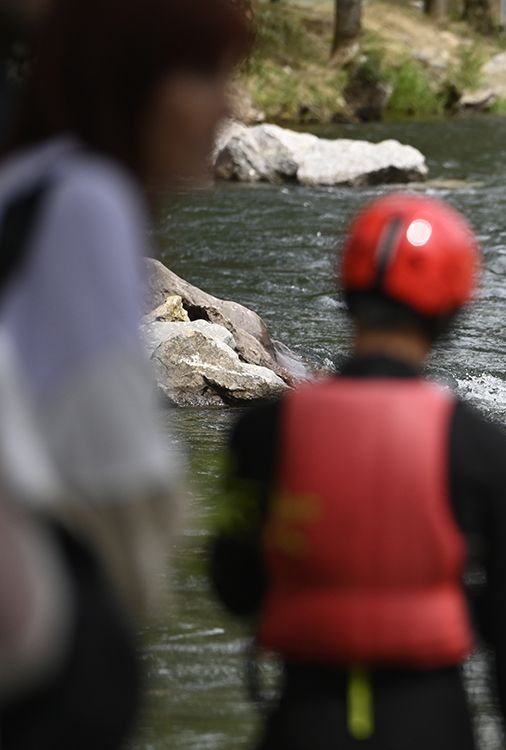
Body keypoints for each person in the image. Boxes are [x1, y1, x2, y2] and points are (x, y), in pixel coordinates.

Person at [0, 0, 250, 747]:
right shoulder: (88, 201)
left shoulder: (26, 182)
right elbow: (123, 475)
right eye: (205, 75)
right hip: (45, 660)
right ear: (132, 81)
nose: (226, 105)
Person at [209, 194, 506, 750]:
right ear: (453, 307)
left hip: (302, 719)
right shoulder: (481, 445)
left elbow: (235, 587)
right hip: (432, 722)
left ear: (348, 291)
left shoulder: (262, 432)